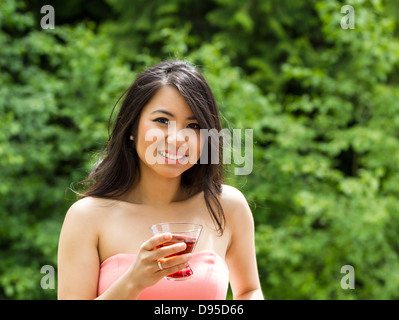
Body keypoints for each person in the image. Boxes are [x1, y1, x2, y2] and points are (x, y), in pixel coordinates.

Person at [57, 60, 264, 300]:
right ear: (132, 127)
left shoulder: (226, 206)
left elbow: (249, 291)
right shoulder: (87, 217)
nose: (177, 138)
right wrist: (133, 282)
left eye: (193, 125)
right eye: (162, 121)